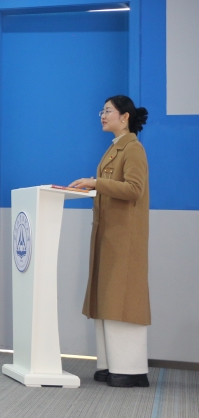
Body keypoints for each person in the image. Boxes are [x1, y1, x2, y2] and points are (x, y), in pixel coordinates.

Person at [69, 95, 151, 388]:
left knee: (122, 301)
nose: (102, 116)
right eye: (101, 111)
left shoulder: (133, 149)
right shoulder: (115, 148)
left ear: (125, 116)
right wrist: (93, 187)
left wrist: (95, 183)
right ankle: (109, 365)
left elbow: (134, 189)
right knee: (107, 300)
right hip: (109, 238)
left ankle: (130, 368)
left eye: (108, 111)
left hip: (124, 239)